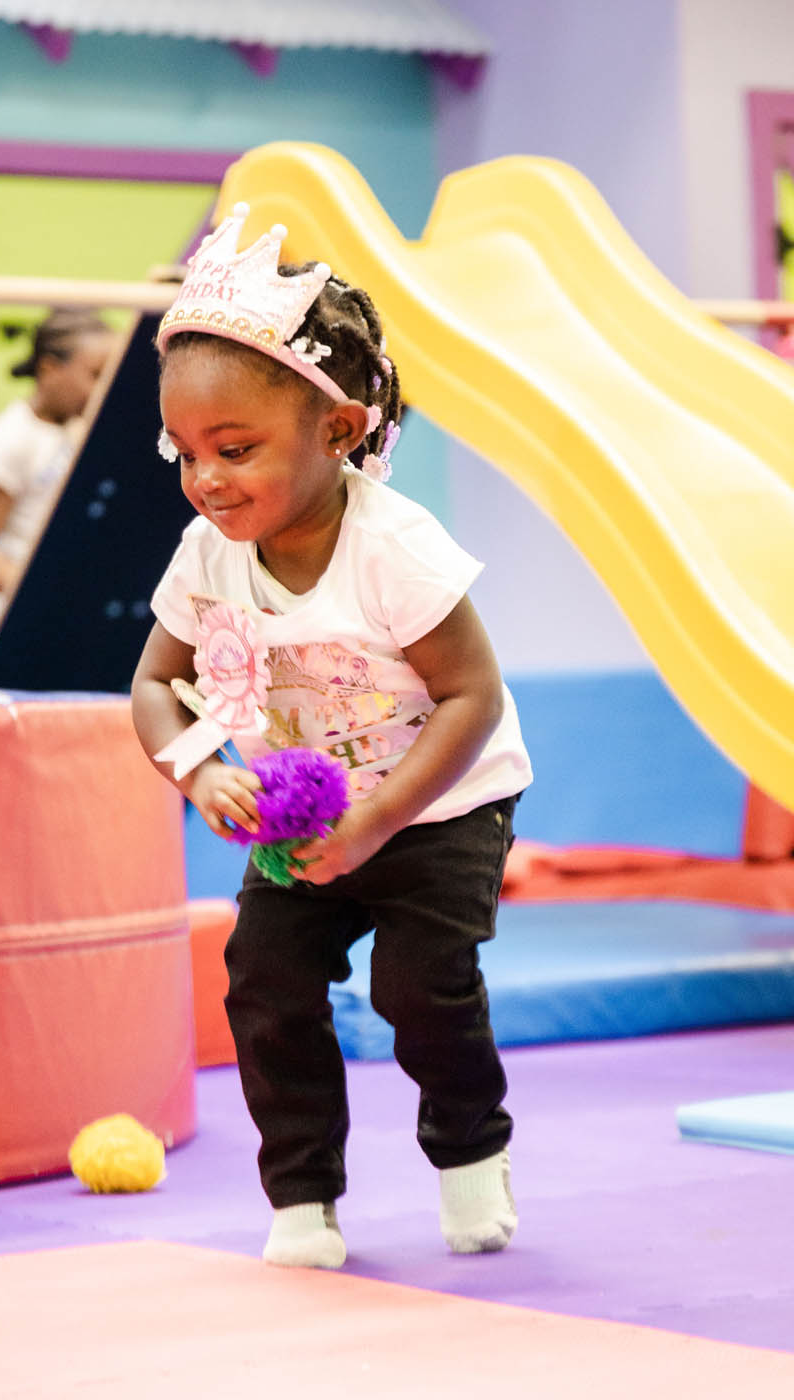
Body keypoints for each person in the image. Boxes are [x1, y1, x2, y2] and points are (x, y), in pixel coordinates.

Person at [131, 204, 533, 1270]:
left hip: (437, 802)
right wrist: (202, 768)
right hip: (303, 814)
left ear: (339, 431)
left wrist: (378, 818)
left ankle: (469, 1147)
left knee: (417, 985)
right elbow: (155, 685)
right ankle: (303, 1195)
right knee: (262, 979)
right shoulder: (207, 551)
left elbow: (472, 697)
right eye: (186, 452)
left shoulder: (391, 547)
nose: (207, 477)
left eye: (237, 449)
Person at [0, 309, 116, 619]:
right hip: (31, 618)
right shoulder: (14, 437)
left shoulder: (78, 430)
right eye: (96, 375)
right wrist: (47, 597)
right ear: (49, 369)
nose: (104, 390)